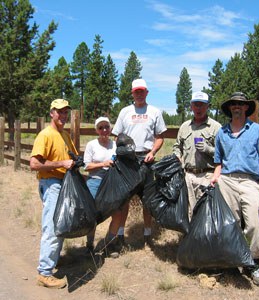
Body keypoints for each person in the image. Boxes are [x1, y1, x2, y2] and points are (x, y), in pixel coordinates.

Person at [211, 92, 259, 286]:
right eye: (233, 104)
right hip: (227, 180)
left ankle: (253, 262)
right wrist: (216, 177)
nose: (236, 106)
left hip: (250, 181)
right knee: (230, 223)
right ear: (229, 108)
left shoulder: (258, 130)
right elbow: (218, 162)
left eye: (240, 104)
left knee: (254, 223)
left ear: (246, 107)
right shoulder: (222, 132)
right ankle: (232, 260)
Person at [112, 78, 167, 248]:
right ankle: (120, 235)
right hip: (127, 162)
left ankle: (147, 235)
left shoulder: (154, 112)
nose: (139, 94)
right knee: (124, 200)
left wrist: (152, 152)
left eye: (142, 91)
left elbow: (160, 137)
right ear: (132, 93)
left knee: (148, 200)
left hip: (146, 159)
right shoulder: (125, 112)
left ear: (147, 92)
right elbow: (117, 136)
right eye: (136, 91)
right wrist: (122, 150)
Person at [30, 99, 77, 289]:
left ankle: (53, 260)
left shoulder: (65, 135)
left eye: (66, 112)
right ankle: (44, 273)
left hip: (63, 184)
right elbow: (34, 164)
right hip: (51, 184)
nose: (63, 116)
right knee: (52, 226)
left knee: (61, 224)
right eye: (60, 112)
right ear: (51, 113)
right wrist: (61, 164)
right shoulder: (45, 135)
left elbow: (72, 156)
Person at [173, 91, 221, 217]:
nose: (198, 108)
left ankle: (203, 237)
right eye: (196, 105)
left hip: (207, 175)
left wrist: (208, 149)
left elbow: (223, 153)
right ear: (191, 106)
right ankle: (189, 236)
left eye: (202, 105)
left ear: (208, 107)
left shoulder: (216, 127)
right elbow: (177, 147)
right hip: (188, 175)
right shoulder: (184, 126)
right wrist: (177, 156)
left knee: (205, 213)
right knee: (188, 211)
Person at [83, 116, 121, 258]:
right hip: (95, 181)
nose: (104, 130)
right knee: (92, 214)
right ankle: (89, 245)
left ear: (110, 129)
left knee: (117, 213)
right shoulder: (91, 145)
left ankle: (109, 244)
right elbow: (86, 166)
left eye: (106, 127)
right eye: (101, 127)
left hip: (112, 184)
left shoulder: (115, 145)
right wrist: (102, 164)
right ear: (96, 130)